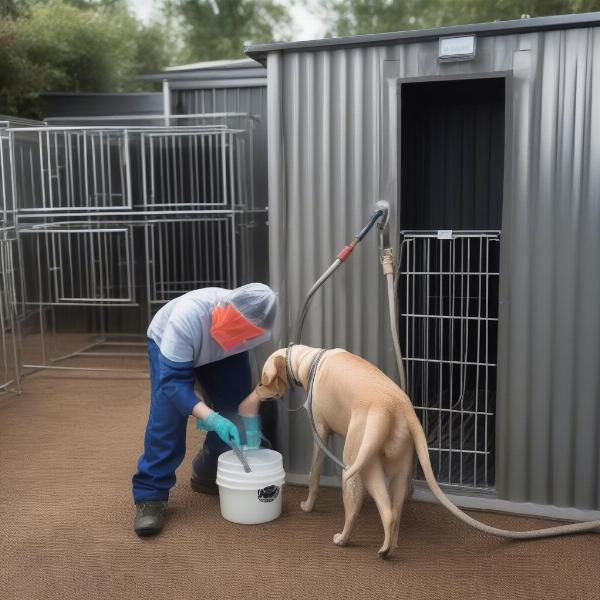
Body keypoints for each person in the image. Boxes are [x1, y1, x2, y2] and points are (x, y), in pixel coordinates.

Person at [132, 283, 277, 537]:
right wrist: (212, 418)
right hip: (171, 347)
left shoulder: (258, 326)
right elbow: (173, 386)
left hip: (224, 354)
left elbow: (268, 371)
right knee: (168, 417)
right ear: (224, 313)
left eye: (247, 335)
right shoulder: (185, 318)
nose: (243, 338)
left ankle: (208, 471)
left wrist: (250, 404)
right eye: (237, 331)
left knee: (235, 411)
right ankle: (151, 495)